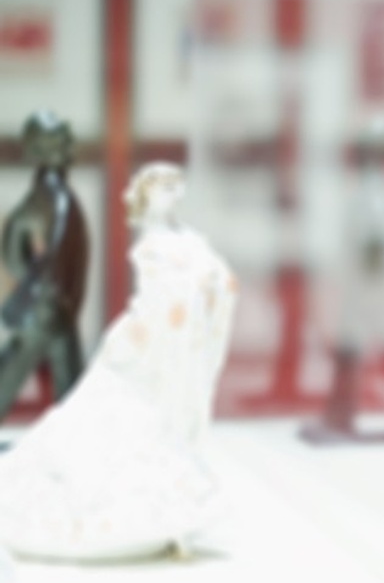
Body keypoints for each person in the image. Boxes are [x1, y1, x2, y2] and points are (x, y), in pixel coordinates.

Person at [0, 162, 237, 562]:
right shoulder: (151, 245)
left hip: (176, 343)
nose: (171, 192)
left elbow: (210, 280)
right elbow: (163, 296)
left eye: (174, 185)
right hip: (154, 340)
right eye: (162, 186)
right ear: (146, 193)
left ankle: (170, 513)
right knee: (114, 415)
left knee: (157, 418)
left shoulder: (188, 237)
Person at [0, 109, 90, 422]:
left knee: (70, 387)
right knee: (14, 373)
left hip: (52, 309)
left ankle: (74, 440)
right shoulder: (51, 199)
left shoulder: (48, 198)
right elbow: (13, 247)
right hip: (47, 308)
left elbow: (13, 250)